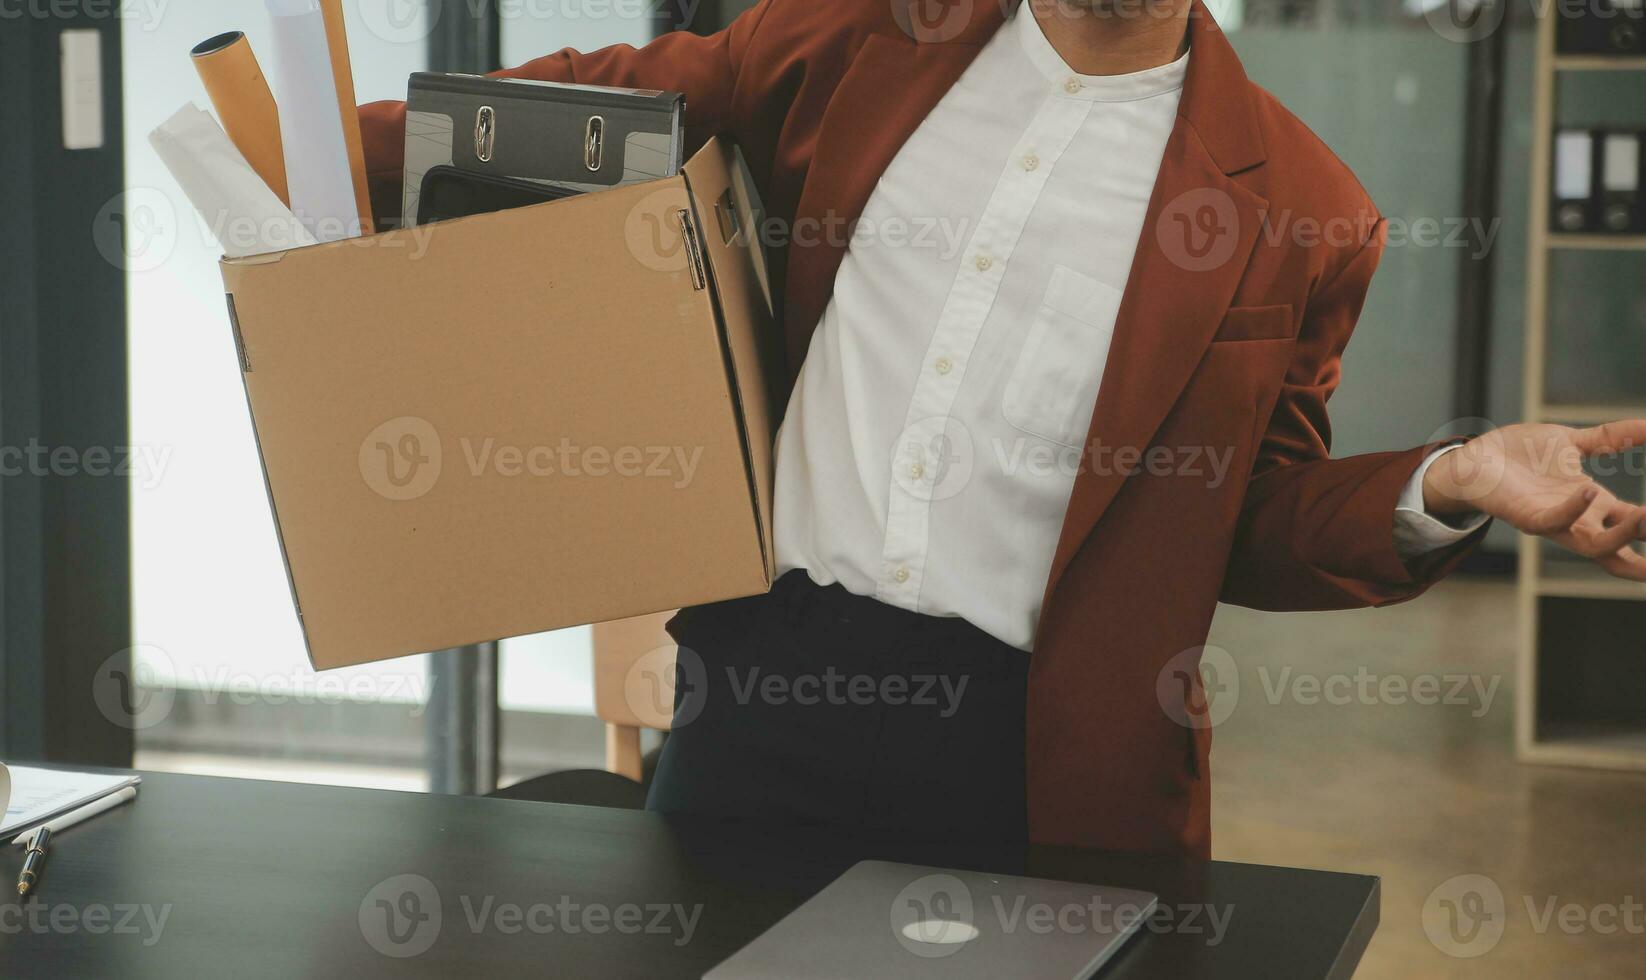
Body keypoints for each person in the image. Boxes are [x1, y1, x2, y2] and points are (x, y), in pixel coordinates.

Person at [358, 0, 1646, 859]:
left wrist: (1453, 476)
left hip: (1035, 758)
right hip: (757, 694)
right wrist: (305, 154)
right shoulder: (852, 39)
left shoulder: (1305, 209)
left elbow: (1246, 515)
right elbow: (589, 112)